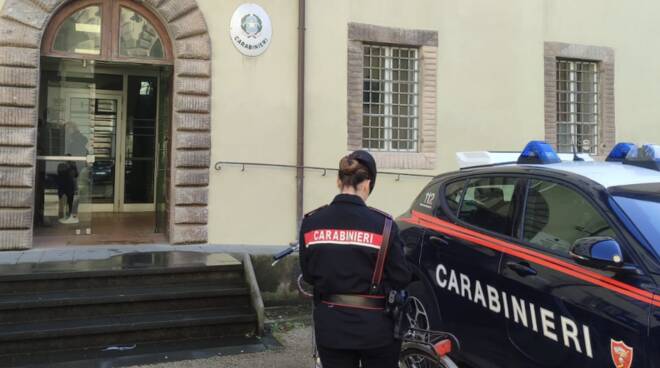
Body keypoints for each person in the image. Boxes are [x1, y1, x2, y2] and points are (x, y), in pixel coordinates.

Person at [299, 150, 412, 368]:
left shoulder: (311, 222)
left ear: (338, 181)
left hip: (331, 327)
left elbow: (309, 275)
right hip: (376, 330)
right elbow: (400, 277)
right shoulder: (385, 225)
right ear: (367, 184)